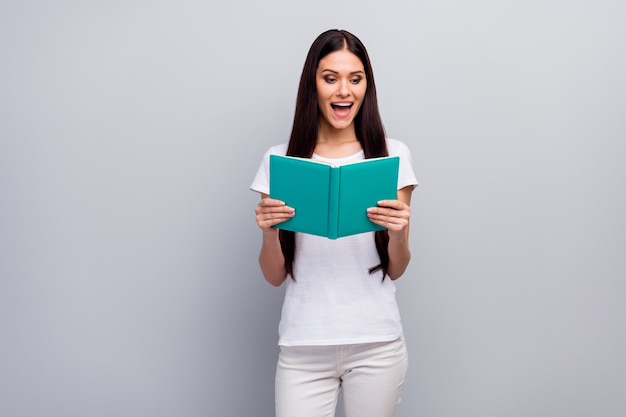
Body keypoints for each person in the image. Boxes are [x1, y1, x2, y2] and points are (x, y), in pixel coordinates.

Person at [250, 29, 418, 417]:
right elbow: (273, 275)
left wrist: (399, 232)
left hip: (376, 342)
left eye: (355, 79)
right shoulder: (280, 161)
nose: (344, 91)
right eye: (330, 78)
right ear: (313, 85)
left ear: (366, 86)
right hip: (303, 345)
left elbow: (397, 267)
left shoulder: (392, 156)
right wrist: (270, 233)